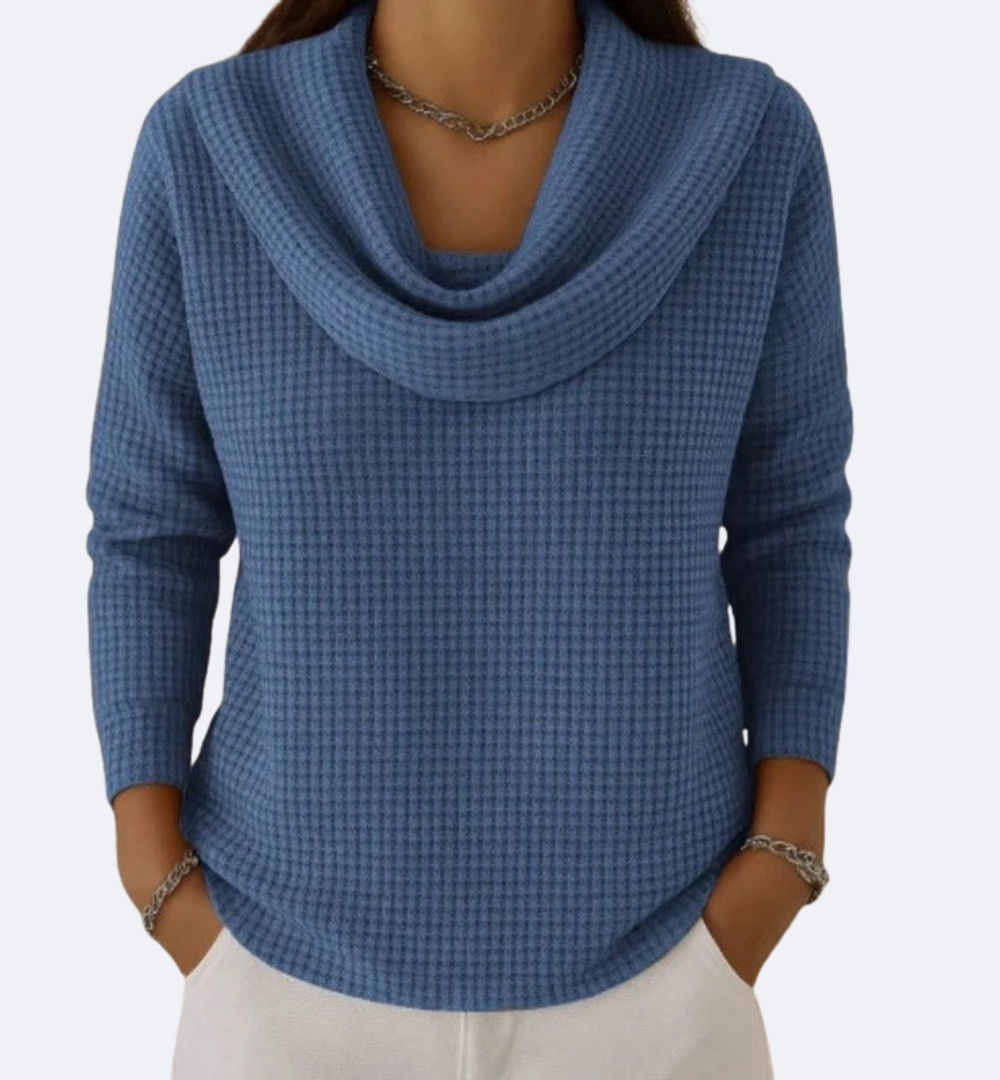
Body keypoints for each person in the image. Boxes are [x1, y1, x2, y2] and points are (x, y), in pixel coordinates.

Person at [84, 0, 853, 1076]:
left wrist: (781, 857)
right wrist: (158, 877)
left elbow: (789, 520)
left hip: (665, 974)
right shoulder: (210, 148)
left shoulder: (746, 145)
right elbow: (151, 528)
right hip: (278, 977)